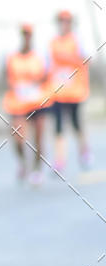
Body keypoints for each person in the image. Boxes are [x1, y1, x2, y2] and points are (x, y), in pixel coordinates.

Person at [3, 24, 54, 185]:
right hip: (18, 103)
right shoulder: (12, 57)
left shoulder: (40, 57)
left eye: (29, 35)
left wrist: (36, 83)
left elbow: (47, 76)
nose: (26, 37)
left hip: (37, 102)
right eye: (24, 34)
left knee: (39, 138)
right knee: (17, 138)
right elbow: (5, 76)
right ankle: (23, 162)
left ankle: (37, 170)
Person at [49, 9, 92, 173]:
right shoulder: (52, 43)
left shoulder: (78, 41)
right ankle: (59, 160)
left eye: (66, 22)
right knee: (58, 127)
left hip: (75, 92)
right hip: (58, 92)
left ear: (70, 24)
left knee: (76, 124)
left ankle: (84, 152)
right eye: (61, 21)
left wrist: (73, 61)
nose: (63, 25)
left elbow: (87, 60)